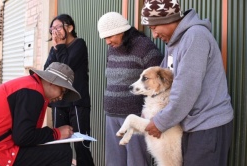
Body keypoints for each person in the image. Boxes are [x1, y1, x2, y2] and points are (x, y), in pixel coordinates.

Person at [140, 0, 234, 166]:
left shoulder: (195, 37)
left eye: (154, 28)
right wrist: (150, 113)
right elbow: (165, 85)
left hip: (207, 125)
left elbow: (185, 90)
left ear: (168, 20)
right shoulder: (174, 43)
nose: (154, 35)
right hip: (190, 125)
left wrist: (160, 122)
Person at [0, 62, 81, 166]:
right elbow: (23, 137)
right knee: (63, 153)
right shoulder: (33, 93)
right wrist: (56, 133)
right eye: (63, 91)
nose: (61, 97)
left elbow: (23, 135)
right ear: (52, 82)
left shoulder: (30, 86)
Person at [97, 12, 163, 166]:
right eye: (105, 38)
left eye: (109, 37)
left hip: (135, 117)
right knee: (114, 162)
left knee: (137, 162)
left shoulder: (144, 47)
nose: (107, 42)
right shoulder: (112, 49)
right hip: (112, 115)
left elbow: (159, 85)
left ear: (121, 31)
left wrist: (151, 114)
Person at [44, 14, 94, 166]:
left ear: (70, 28)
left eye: (58, 27)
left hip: (78, 102)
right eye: (52, 28)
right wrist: (57, 48)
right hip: (59, 103)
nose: (55, 32)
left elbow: (65, 68)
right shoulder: (55, 48)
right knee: (60, 145)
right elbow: (48, 70)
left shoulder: (79, 44)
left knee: (81, 144)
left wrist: (58, 47)